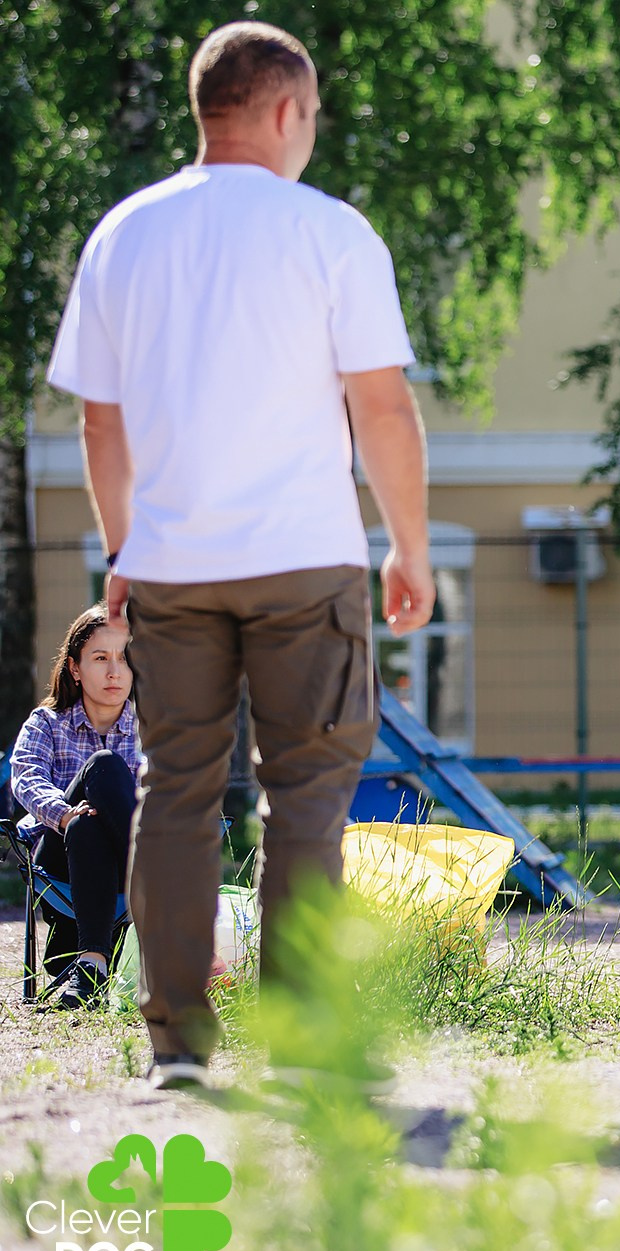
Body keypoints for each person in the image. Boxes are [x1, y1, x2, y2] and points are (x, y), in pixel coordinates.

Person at [44, 21, 434, 1090]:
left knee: (175, 787)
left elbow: (100, 424)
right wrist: (409, 548)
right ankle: (307, 1046)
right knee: (305, 797)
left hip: (171, 564)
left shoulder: (125, 233)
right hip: (305, 563)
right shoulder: (331, 232)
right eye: (311, 115)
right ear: (283, 112)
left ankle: (176, 1044)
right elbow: (384, 411)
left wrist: (124, 544)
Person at [8, 606, 142, 1009]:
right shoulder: (47, 722)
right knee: (95, 783)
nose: (115, 671)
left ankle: (91, 964)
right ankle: (170, 904)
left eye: (125, 659)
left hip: (127, 861)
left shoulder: (151, 727)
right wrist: (63, 814)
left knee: (90, 825)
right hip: (59, 858)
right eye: (101, 658)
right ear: (75, 668)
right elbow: (26, 777)